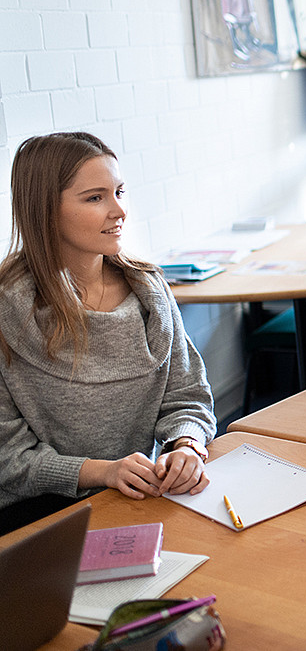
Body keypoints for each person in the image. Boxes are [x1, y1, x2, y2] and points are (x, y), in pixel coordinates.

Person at [0, 132, 217, 534]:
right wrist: (102, 472)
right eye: (95, 198)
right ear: (45, 210)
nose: (119, 210)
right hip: (37, 519)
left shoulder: (149, 290)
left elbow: (187, 396)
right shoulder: (7, 310)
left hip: (134, 500)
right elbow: (7, 458)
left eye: (119, 191)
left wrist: (186, 445)